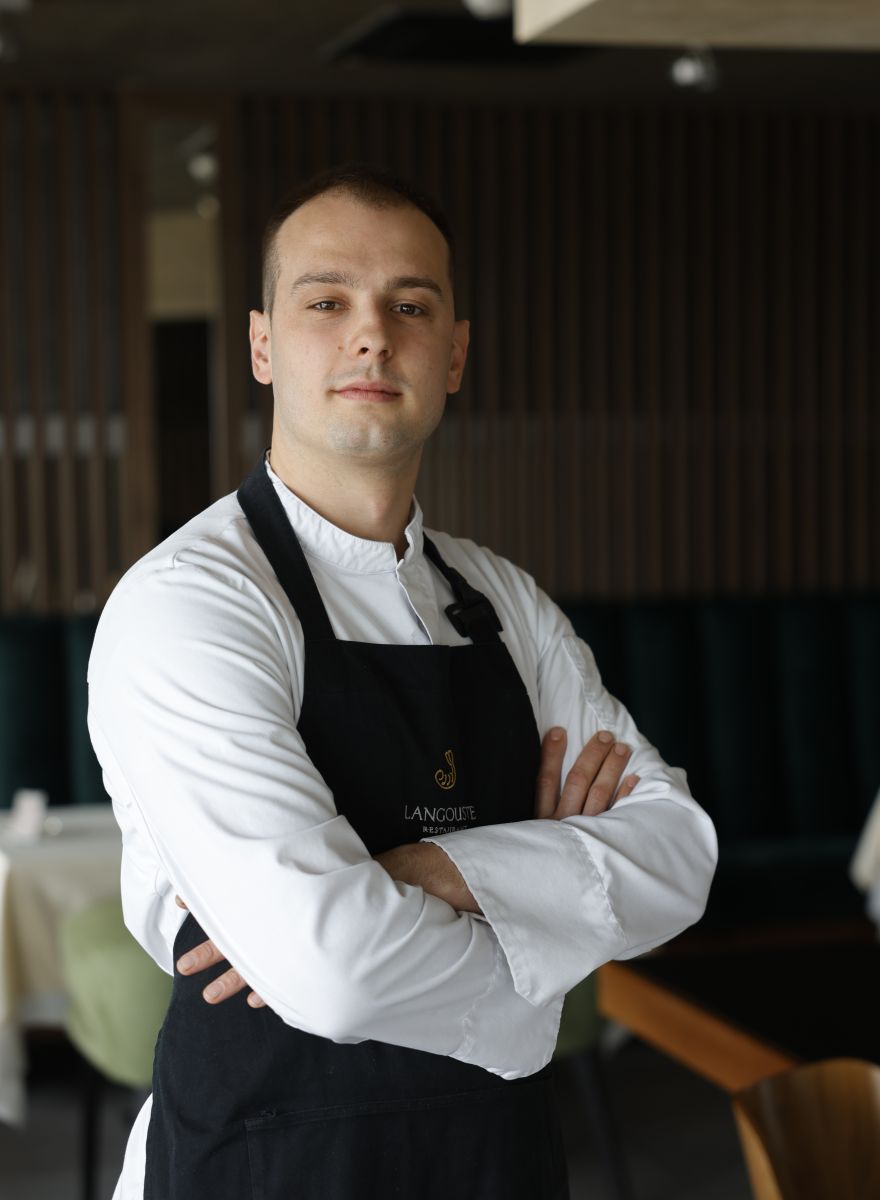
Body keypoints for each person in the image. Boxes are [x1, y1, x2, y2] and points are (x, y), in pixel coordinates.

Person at [88, 164, 717, 1200]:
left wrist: (417, 870)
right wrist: (539, 958)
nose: (372, 336)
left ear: (454, 353)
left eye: (410, 306)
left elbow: (679, 855)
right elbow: (333, 971)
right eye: (326, 302)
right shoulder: (190, 604)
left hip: (497, 1161)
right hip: (266, 1161)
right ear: (261, 345)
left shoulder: (502, 601)